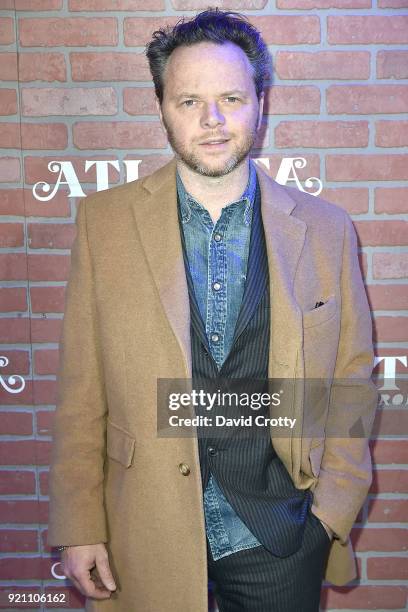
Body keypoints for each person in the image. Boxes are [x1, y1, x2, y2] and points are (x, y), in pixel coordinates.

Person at [47, 9, 378, 612]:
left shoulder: (327, 230)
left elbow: (350, 379)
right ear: (162, 109)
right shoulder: (105, 224)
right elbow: (80, 391)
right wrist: (79, 523)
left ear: (260, 102)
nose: (213, 120)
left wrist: (331, 513)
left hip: (282, 537)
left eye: (230, 97)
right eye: (189, 100)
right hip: (142, 532)